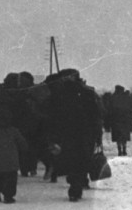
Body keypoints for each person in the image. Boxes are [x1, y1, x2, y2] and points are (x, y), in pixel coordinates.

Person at [42, 68, 103, 202]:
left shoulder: (59, 95)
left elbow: (51, 116)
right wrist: (98, 134)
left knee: (72, 160)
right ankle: (78, 183)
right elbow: (97, 115)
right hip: (85, 133)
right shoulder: (87, 92)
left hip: (68, 133)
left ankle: (75, 185)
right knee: (82, 158)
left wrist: (53, 135)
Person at [109, 84, 132, 156]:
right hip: (125, 119)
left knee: (117, 136)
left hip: (115, 120)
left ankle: (119, 150)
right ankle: (124, 149)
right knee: (124, 135)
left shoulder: (113, 97)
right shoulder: (126, 97)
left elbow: (109, 109)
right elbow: (131, 107)